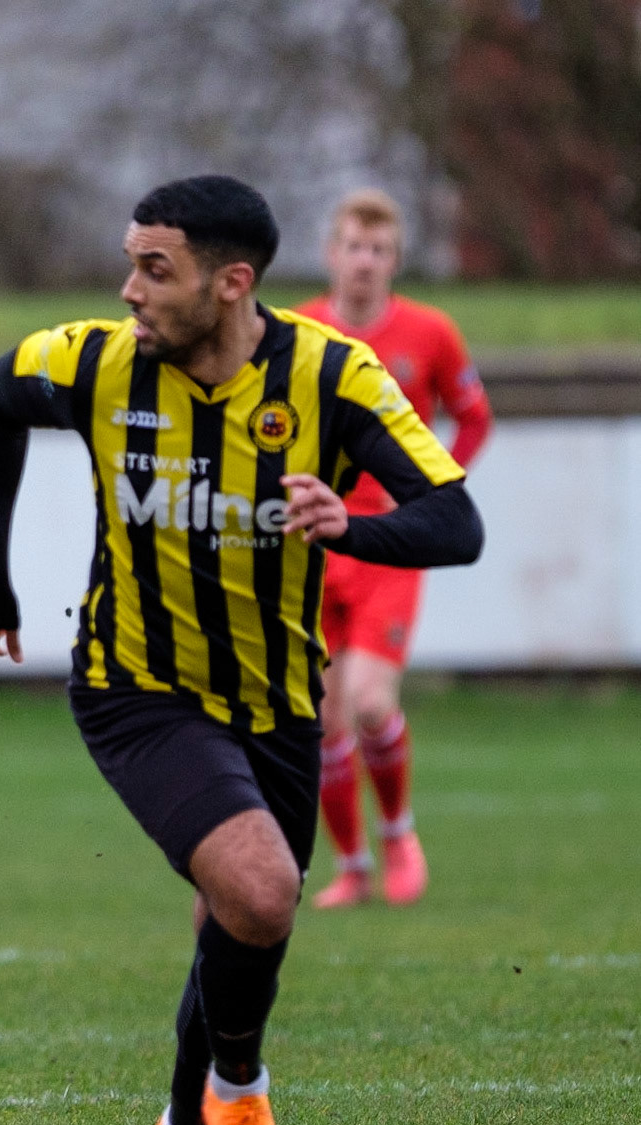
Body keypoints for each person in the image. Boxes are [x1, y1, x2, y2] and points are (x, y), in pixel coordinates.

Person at [0, 176, 482, 1125]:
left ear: (231, 282)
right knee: (260, 884)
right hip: (135, 684)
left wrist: (348, 528)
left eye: (156, 269)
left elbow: (455, 520)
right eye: (130, 263)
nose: (129, 289)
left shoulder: (334, 378)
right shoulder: (97, 361)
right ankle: (238, 1089)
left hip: (278, 697)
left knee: (243, 911)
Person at [294, 190, 493, 908]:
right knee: (321, 715)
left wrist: (437, 491)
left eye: (378, 250)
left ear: (394, 260)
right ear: (330, 253)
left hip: (389, 542)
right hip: (313, 542)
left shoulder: (429, 332)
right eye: (352, 245)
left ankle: (399, 833)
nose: (364, 261)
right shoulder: (300, 331)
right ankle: (350, 865)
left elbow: (472, 417)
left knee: (371, 702)